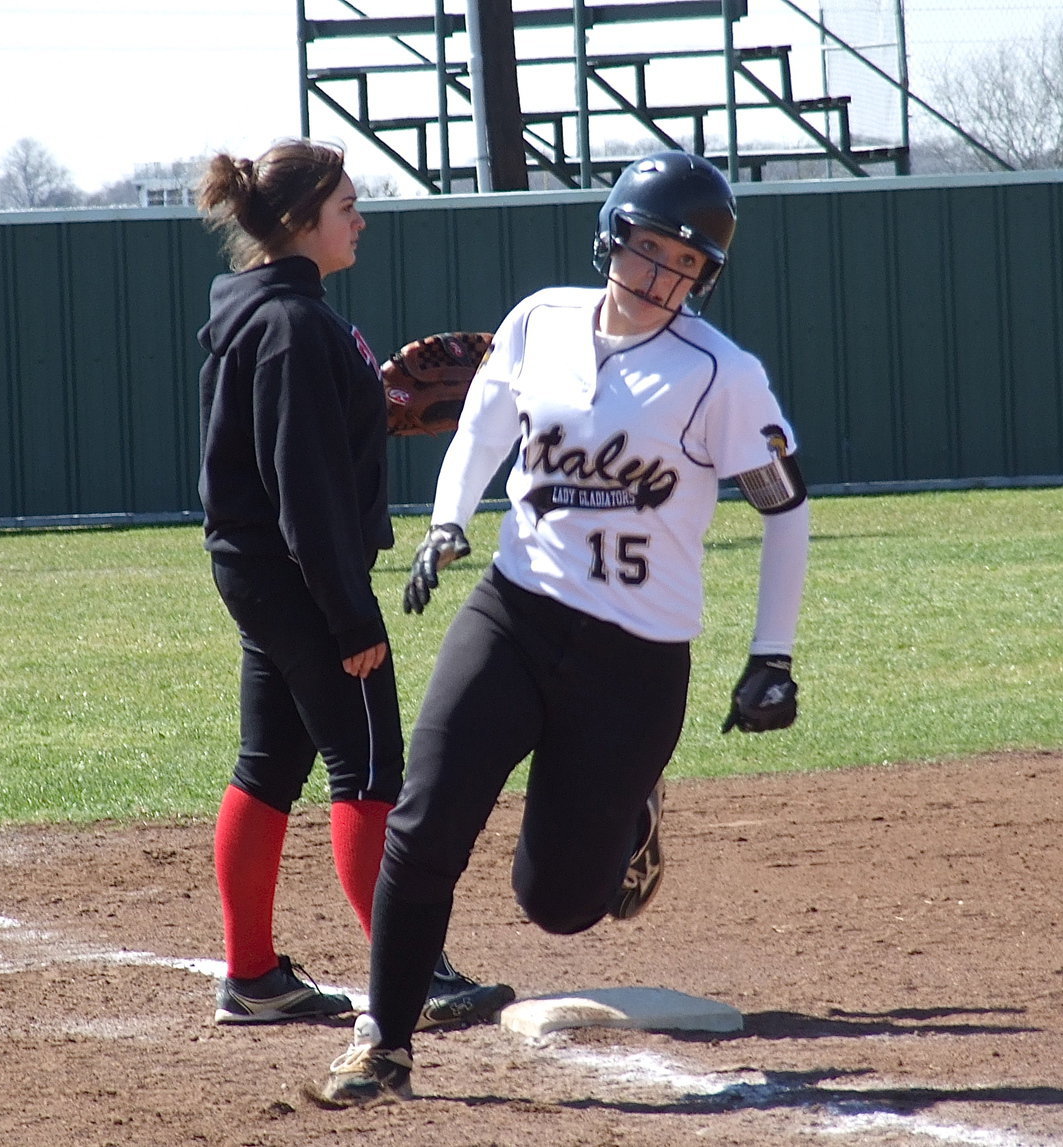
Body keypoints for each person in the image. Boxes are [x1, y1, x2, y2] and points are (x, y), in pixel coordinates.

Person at [308, 150, 810, 1105]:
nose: (662, 276)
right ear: (613, 232)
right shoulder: (539, 319)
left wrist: (771, 654)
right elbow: (482, 427)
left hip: (635, 655)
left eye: (687, 264)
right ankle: (385, 1042)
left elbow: (784, 508)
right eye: (650, 248)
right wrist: (449, 519)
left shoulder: (720, 374)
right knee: (425, 823)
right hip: (515, 611)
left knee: (562, 905)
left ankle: (633, 814)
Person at [195, 138, 514, 1028]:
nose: (360, 220)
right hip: (303, 576)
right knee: (370, 765)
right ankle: (417, 973)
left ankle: (254, 976)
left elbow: (291, 447)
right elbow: (302, 487)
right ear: (301, 223)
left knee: (270, 764)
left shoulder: (265, 311)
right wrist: (350, 617)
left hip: (263, 572)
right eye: (346, 207)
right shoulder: (295, 326)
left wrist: (369, 409)